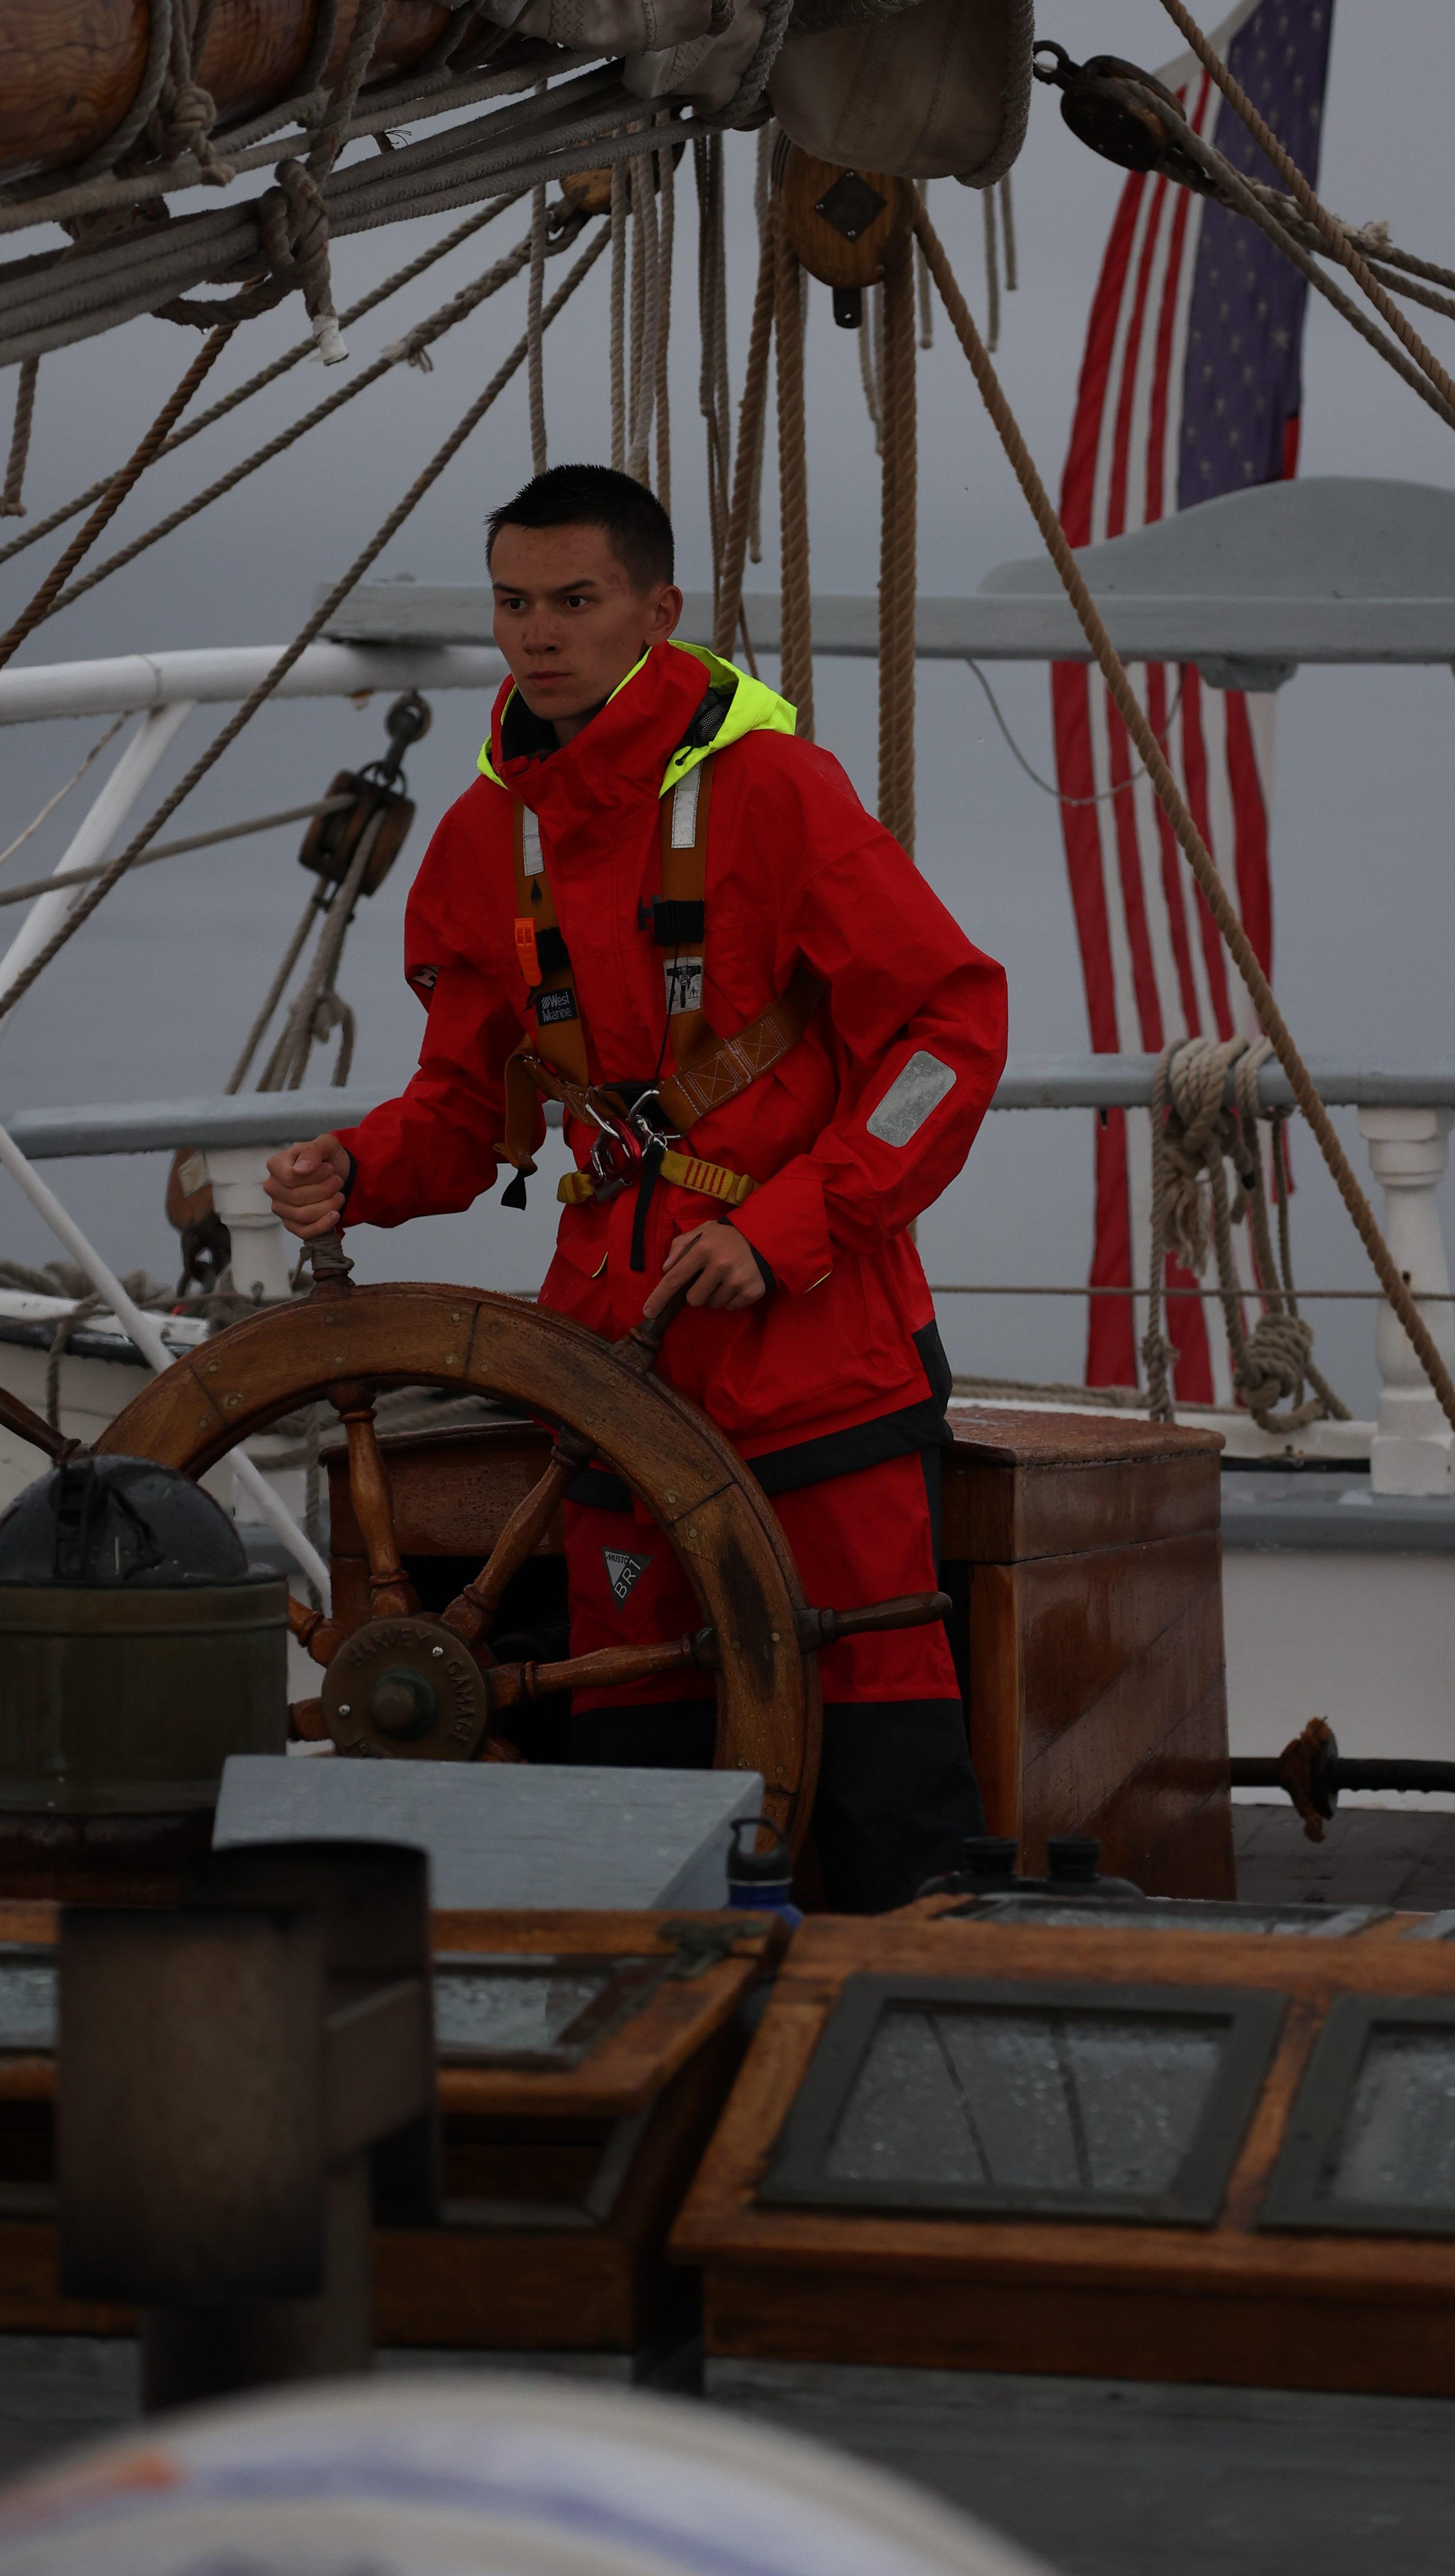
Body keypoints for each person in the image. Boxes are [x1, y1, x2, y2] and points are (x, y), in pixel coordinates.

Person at [266, 462, 1008, 1910]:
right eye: (514, 603)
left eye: (575, 602)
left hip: (817, 1362)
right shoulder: (488, 841)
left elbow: (948, 1034)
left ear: (656, 612)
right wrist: (355, 1169)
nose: (538, 634)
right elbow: (466, 1113)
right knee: (637, 1772)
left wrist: (792, 1226)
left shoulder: (778, 791)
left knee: (880, 1761)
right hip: (610, 1368)